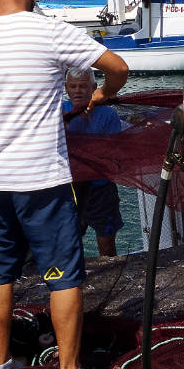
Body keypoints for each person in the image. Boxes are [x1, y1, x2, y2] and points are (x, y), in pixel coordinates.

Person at [0, 0, 129, 369]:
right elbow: (118, 68)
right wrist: (101, 97)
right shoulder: (50, 31)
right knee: (64, 275)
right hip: (43, 180)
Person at [63, 68, 124, 259]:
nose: (78, 90)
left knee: (106, 246)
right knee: (68, 245)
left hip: (101, 188)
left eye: (83, 86)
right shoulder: (57, 112)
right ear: (66, 88)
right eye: (73, 86)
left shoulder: (108, 114)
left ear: (94, 88)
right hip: (68, 188)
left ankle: (111, 276)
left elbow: (114, 153)